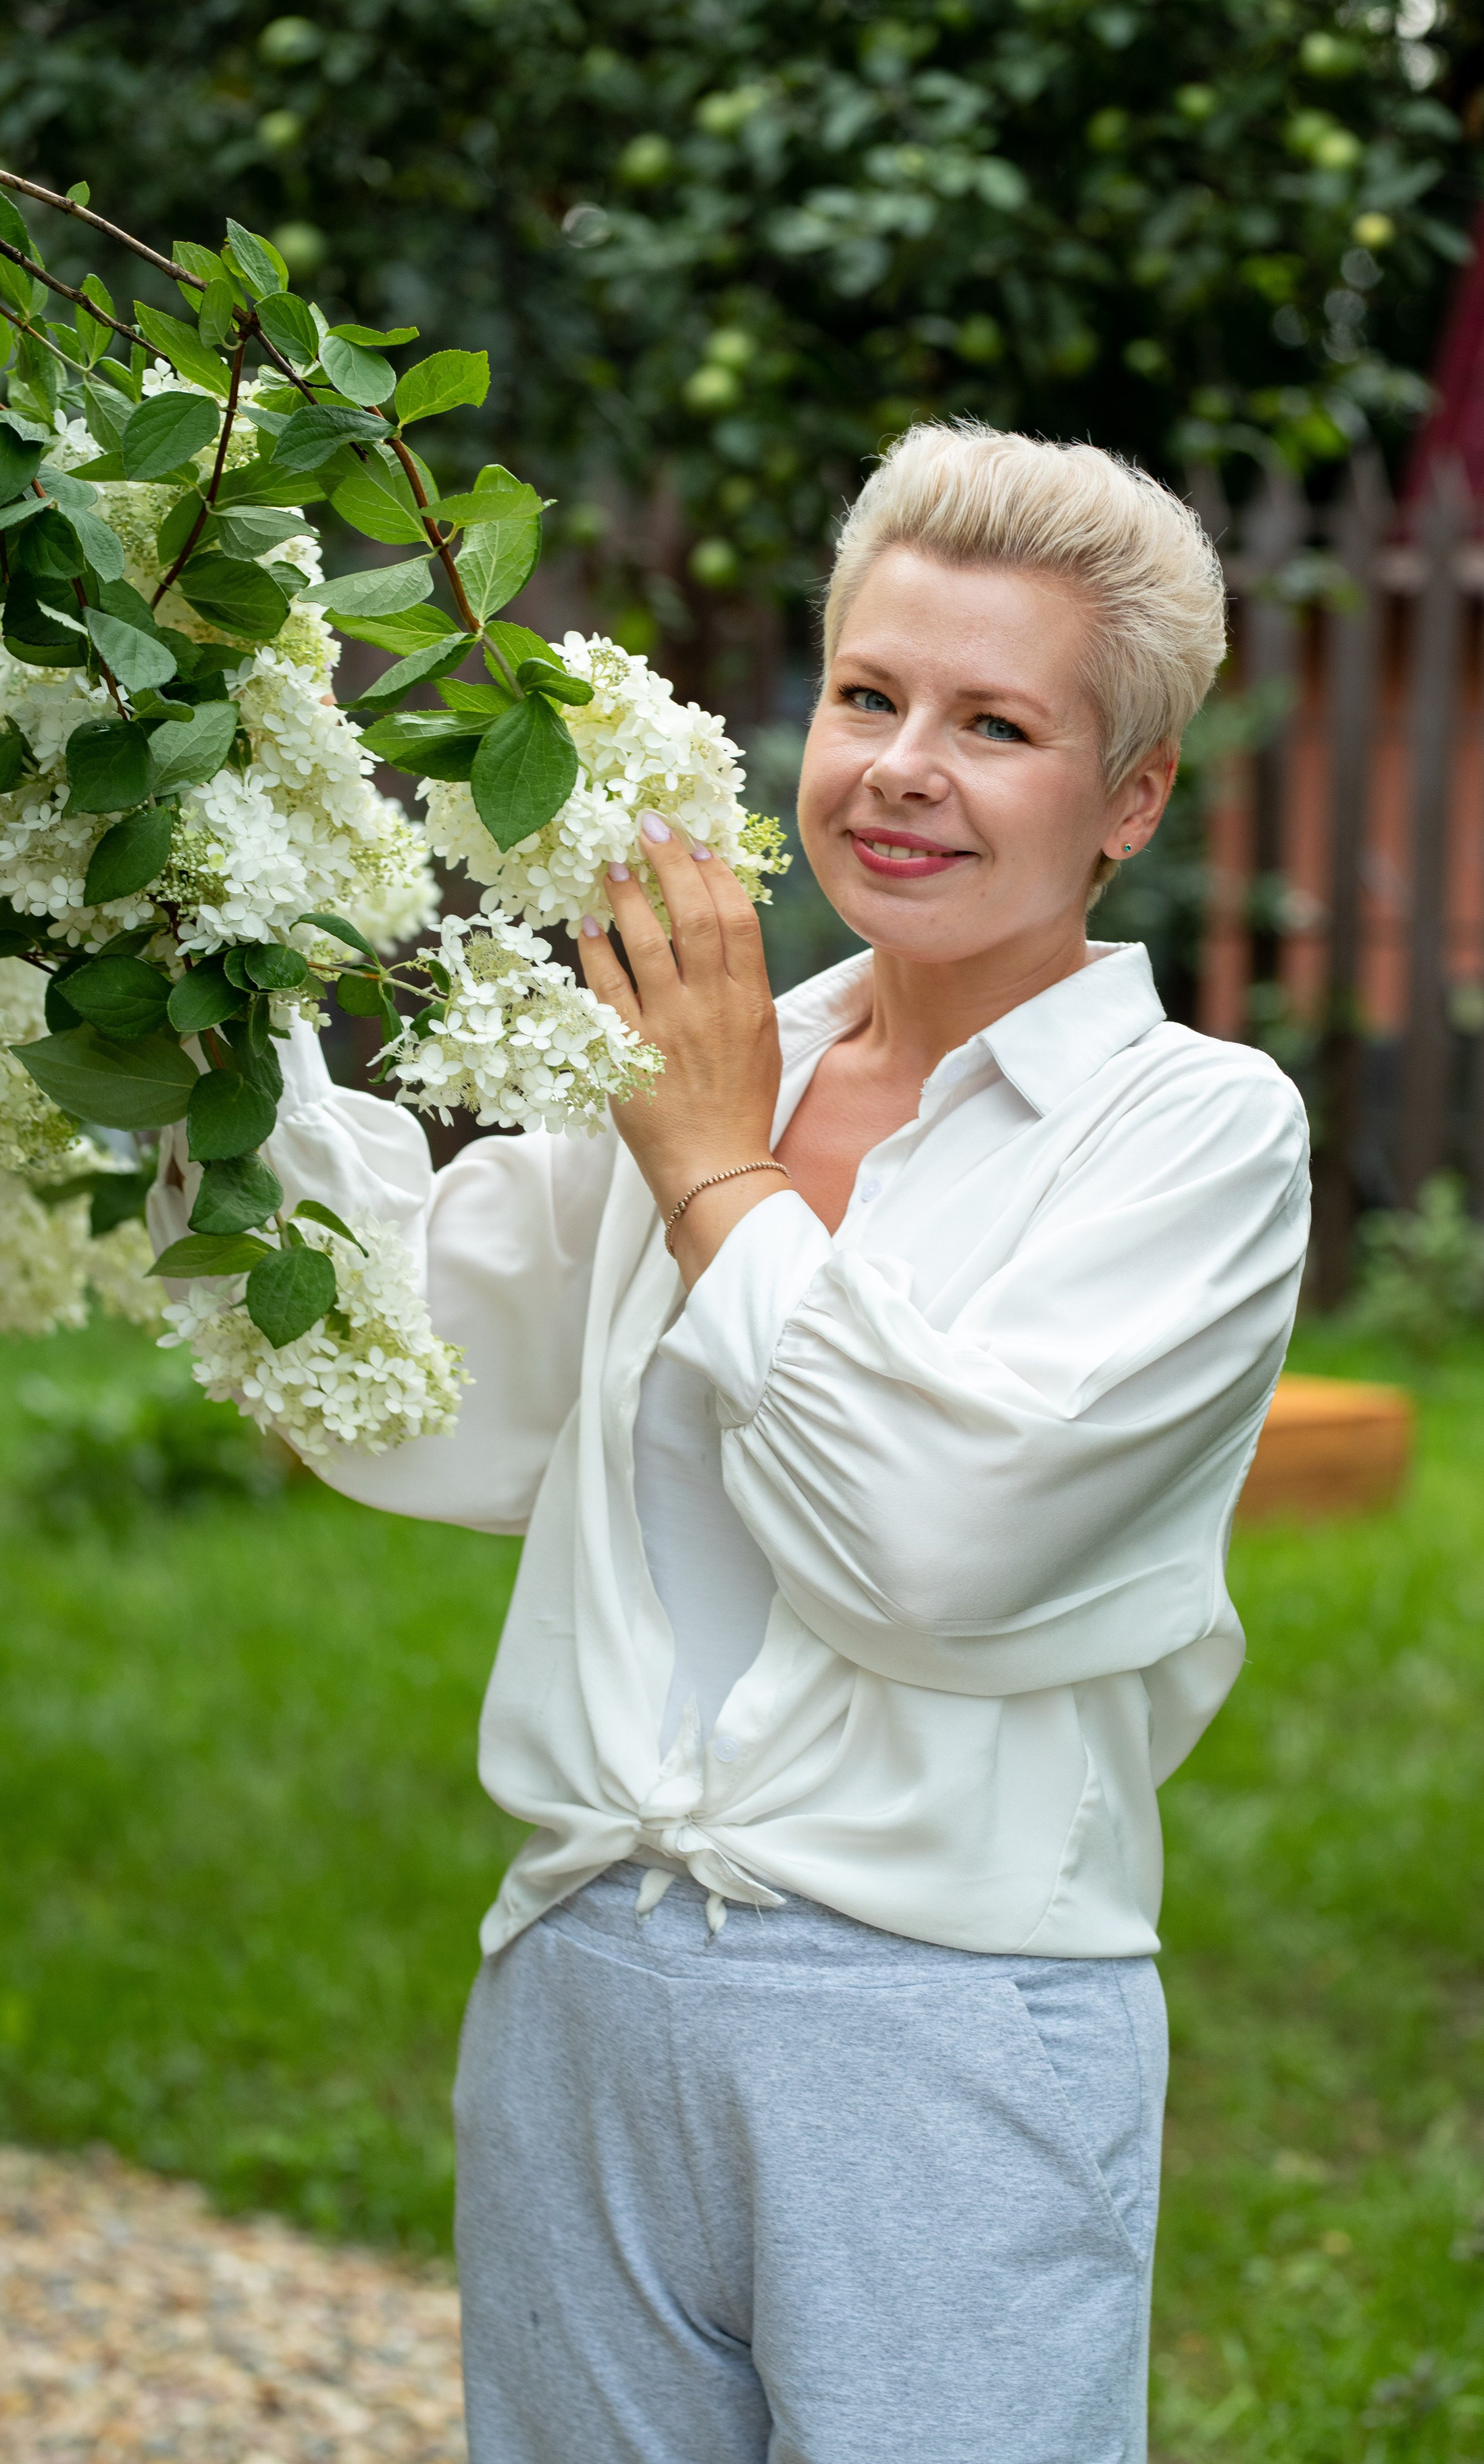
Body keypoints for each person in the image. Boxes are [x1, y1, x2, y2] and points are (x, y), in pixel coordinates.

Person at [155, 422, 1309, 2464]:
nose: (899, 769)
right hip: (585, 1977)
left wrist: (708, 1162)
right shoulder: (720, 1057)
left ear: (1129, 798)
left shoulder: (1197, 1136)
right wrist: (180, 979)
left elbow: (937, 1551)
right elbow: (417, 1376)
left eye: (996, 723)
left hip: (946, 2025)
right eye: (868, 694)